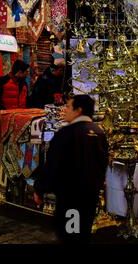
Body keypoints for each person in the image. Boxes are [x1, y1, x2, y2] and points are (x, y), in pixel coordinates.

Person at [33, 94, 108, 243]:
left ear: (78, 110)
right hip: (90, 197)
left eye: (68, 107)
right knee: (83, 233)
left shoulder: (67, 133)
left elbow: (53, 165)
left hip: (71, 198)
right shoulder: (99, 133)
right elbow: (102, 165)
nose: (64, 110)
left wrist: (40, 189)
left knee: (71, 235)